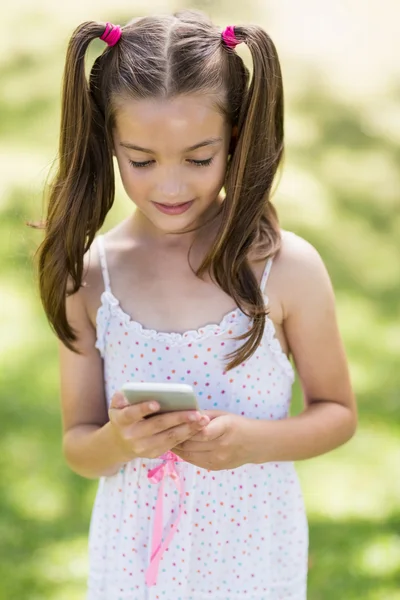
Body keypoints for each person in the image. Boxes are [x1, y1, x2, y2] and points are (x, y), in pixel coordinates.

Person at [35, 9, 357, 600]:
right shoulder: (89, 280)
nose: (172, 185)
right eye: (142, 160)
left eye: (198, 158)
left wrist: (254, 442)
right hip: (136, 567)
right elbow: (80, 445)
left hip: (252, 559)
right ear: (109, 142)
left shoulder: (285, 269)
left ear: (235, 138)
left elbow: (337, 413)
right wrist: (120, 442)